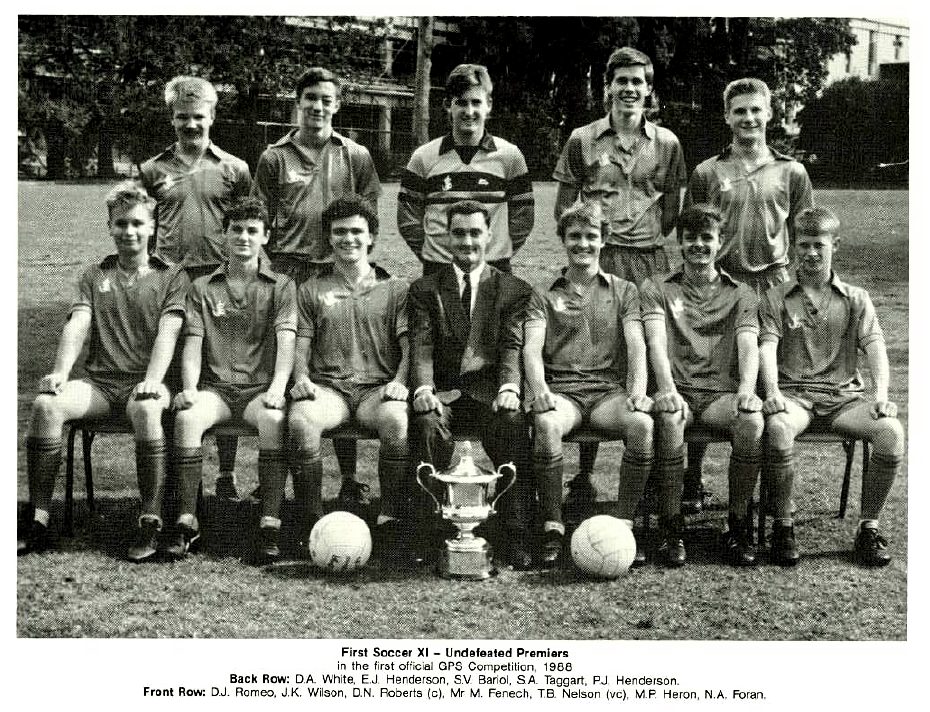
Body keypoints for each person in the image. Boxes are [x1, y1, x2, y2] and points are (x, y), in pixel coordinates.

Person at [18, 181, 189, 561]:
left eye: (137, 223)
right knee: (46, 405)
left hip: (147, 384)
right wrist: (60, 372)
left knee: (147, 408)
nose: (129, 231)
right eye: (120, 223)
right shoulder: (94, 275)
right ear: (109, 226)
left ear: (152, 226)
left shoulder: (172, 276)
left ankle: (150, 519)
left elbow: (169, 332)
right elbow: (78, 323)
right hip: (100, 385)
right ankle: (38, 518)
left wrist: (153, 380)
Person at [552, 47, 686, 519]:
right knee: (592, 355)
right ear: (607, 86)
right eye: (621, 81)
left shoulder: (667, 143)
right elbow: (564, 205)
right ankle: (583, 476)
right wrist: (599, 239)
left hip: (648, 261)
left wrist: (642, 236)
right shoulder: (582, 139)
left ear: (649, 89)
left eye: (638, 81)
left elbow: (672, 209)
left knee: (652, 354)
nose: (630, 89)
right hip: (600, 256)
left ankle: (654, 478)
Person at [683, 77, 814, 514]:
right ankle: (692, 478)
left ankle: (769, 488)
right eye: (739, 110)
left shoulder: (792, 171)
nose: (749, 118)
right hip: (721, 286)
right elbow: (693, 231)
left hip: (773, 285)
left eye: (756, 110)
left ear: (769, 114)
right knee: (709, 377)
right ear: (727, 116)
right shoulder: (707, 172)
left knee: (769, 384)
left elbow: (803, 234)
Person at [252, 67, 381, 509]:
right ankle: (282, 479)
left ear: (337, 105)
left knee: (342, 369)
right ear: (298, 102)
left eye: (327, 99)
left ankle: (349, 479)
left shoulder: (355, 155)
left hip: (338, 272)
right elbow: (259, 217)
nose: (318, 106)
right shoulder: (274, 157)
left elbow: (368, 215)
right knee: (292, 374)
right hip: (290, 272)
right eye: (311, 98)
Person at [759, 207, 903, 567]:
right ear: (793, 246)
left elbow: (875, 348)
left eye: (819, 245)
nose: (810, 253)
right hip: (794, 397)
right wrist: (772, 392)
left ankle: (869, 528)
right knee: (777, 428)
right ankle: (783, 526)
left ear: (834, 245)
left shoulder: (856, 298)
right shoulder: (776, 297)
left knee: (891, 433)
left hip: (843, 400)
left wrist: (881, 396)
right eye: (803, 245)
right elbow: (767, 348)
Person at [523, 200, 654, 567]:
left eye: (591, 236)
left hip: (606, 395)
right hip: (563, 393)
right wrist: (540, 391)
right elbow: (531, 349)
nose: (583, 244)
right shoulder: (544, 292)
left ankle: (625, 524)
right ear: (563, 239)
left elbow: (637, 345)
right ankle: (553, 525)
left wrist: (637, 392)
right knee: (546, 424)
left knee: (642, 425)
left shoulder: (625, 290)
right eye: (575, 236)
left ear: (603, 240)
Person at [140, 76, 253, 502]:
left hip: (220, 282)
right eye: (182, 117)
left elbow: (248, 225)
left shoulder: (234, 168)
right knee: (176, 376)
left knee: (223, 375)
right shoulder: (153, 169)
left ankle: (226, 473)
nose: (191, 124)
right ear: (172, 118)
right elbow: (144, 228)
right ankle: (180, 473)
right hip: (171, 282)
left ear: (212, 116)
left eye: (198, 116)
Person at [408, 200, 534, 568]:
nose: (467, 241)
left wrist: (509, 388)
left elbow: (512, 344)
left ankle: (516, 532)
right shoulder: (425, 289)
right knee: (426, 423)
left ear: (489, 235)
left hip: (489, 394)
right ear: (446, 237)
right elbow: (421, 345)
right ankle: (428, 533)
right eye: (459, 233)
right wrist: (424, 389)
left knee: (512, 423)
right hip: (444, 393)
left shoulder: (513, 289)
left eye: (475, 232)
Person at [170, 197, 296, 563]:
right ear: (223, 235)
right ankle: (187, 521)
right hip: (217, 391)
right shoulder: (202, 287)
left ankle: (270, 523)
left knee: (273, 419)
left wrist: (277, 389)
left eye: (252, 231)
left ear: (265, 237)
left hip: (260, 390)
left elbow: (287, 342)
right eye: (236, 230)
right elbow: (193, 344)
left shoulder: (281, 286)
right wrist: (190, 389)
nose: (243, 237)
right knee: (187, 418)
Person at [288, 195, 412, 556]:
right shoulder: (311, 288)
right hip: (330, 390)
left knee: (396, 420)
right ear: (329, 237)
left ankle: (390, 516)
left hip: (377, 389)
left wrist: (400, 382)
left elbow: (409, 346)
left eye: (357, 231)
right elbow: (301, 344)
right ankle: (311, 520)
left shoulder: (395, 288)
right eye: (339, 231)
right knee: (301, 421)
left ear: (371, 237)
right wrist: (301, 377)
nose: (348, 239)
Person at [640, 204, 764, 567]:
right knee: (668, 419)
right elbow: (655, 343)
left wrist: (746, 390)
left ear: (720, 242)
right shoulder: (656, 287)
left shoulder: (742, 293)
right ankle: (671, 525)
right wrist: (666, 389)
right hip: (677, 389)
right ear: (679, 242)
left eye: (706, 237)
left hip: (718, 395)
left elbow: (748, 345)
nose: (698, 245)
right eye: (690, 237)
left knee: (751, 422)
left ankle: (737, 523)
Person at [398, 63, 534, 275]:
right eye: (461, 102)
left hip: (493, 270)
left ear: (488, 105)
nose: (469, 111)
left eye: (476, 102)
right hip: (439, 271)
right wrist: (435, 255)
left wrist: (496, 253)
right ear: (447, 105)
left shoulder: (510, 156)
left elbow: (523, 218)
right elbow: (408, 219)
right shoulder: (423, 157)